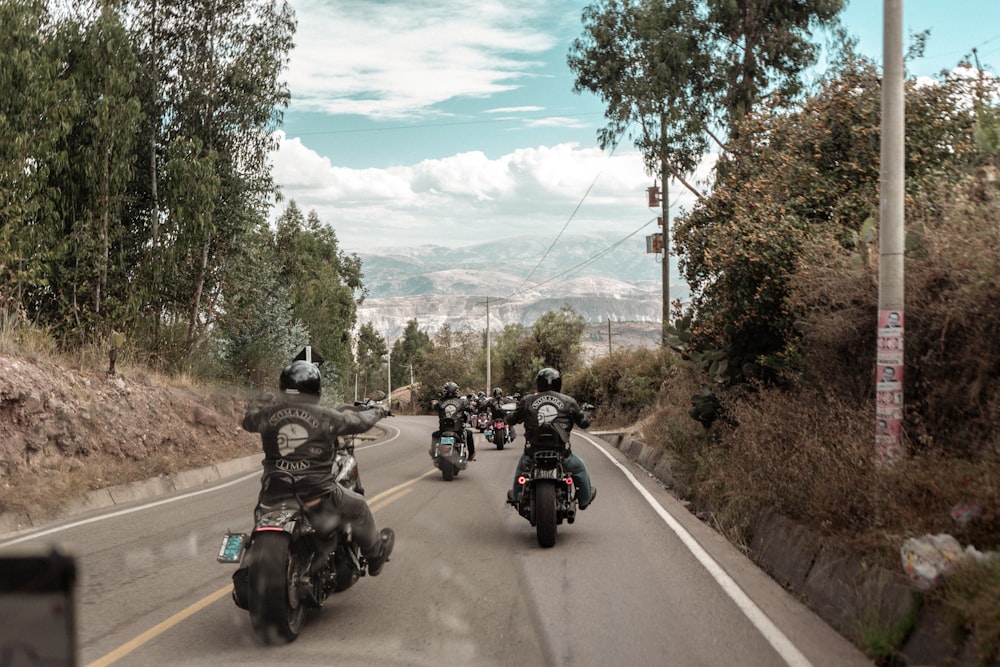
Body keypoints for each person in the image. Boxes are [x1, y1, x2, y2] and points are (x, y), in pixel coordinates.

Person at [241, 360, 395, 576]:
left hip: (274, 492)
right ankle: (375, 553)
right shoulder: (325, 416)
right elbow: (360, 422)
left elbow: (248, 422)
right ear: (316, 389)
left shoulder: (266, 415)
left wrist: (257, 404)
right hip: (317, 493)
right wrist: (379, 411)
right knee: (359, 506)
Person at [505, 368, 596, 509]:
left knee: (521, 470)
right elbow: (584, 423)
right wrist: (587, 413)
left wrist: (510, 415)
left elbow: (512, 420)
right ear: (559, 383)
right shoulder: (568, 401)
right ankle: (584, 499)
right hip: (562, 454)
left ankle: (517, 498)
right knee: (579, 468)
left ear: (538, 383)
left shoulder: (527, 400)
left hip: (532, 453)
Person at [431, 381, 476, 461]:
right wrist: (472, 408)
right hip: (458, 430)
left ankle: (434, 454)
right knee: (469, 433)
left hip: (443, 430)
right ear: (456, 391)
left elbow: (434, 407)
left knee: (434, 435)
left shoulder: (440, 402)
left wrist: (434, 402)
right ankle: (471, 455)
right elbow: (471, 409)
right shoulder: (462, 402)